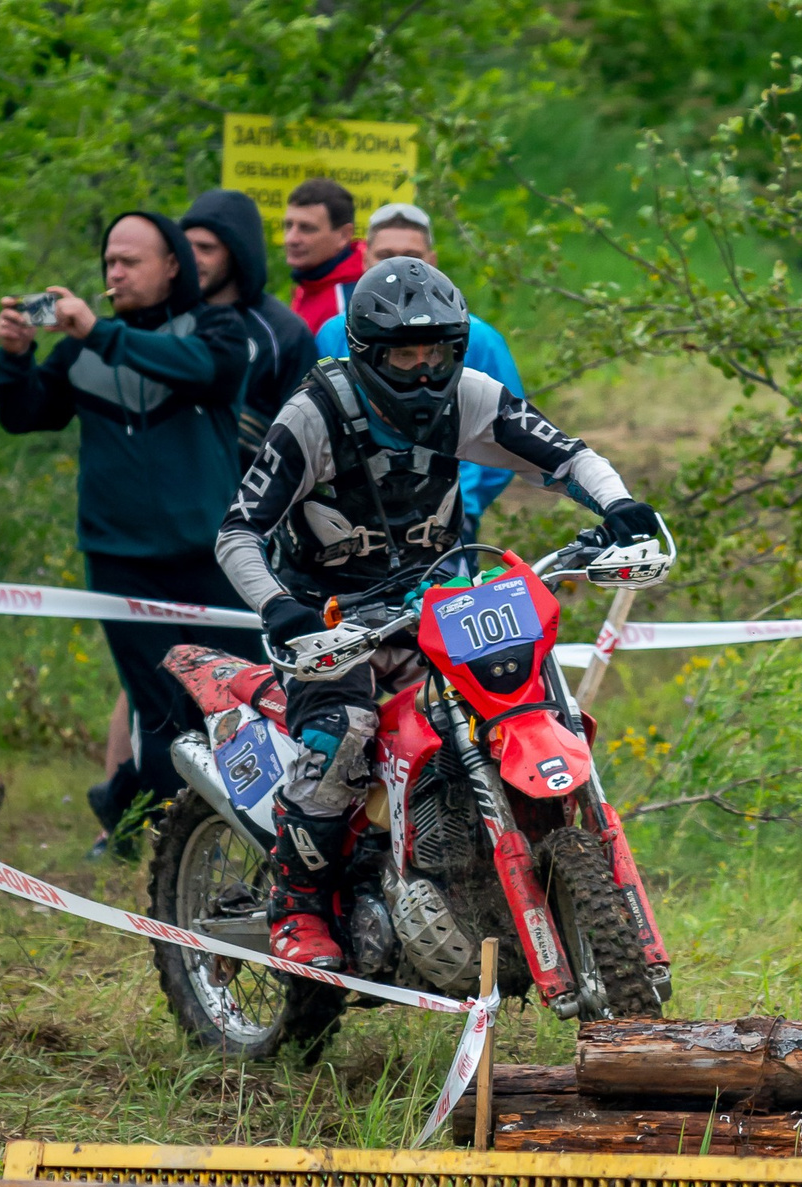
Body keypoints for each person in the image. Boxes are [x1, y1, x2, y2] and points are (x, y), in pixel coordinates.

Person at [215, 257, 664, 970]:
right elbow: (238, 530)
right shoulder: (315, 415)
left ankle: (473, 863)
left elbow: (567, 456)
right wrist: (280, 607)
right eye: (404, 355)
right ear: (367, 353)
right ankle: (296, 905)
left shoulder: (472, 396)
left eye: (437, 355)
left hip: (437, 601)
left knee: (519, 700)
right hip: (334, 622)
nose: (424, 374)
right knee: (342, 733)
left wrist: (619, 508)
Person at [0, 210, 251, 855]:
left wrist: (98, 332)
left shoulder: (215, 329)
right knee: (161, 707)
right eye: (110, 261)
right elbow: (25, 415)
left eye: (131, 261)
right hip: (121, 560)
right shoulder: (81, 350)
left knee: (234, 699)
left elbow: (206, 372)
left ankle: (216, 823)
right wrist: (15, 357)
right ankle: (165, 840)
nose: (116, 272)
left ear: (173, 267)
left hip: (212, 553)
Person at [313, 202, 526, 536]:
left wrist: (465, 505)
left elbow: (512, 434)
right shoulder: (333, 333)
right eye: (385, 255)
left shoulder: (478, 339)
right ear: (365, 259)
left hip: (443, 523)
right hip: (351, 525)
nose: (397, 266)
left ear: (432, 262)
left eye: (412, 256)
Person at [183, 189, 315, 460]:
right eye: (186, 247)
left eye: (206, 248)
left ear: (237, 252)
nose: (192, 258)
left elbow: (304, 437)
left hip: (249, 495)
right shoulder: (166, 320)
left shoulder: (284, 334)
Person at [283, 178, 365, 334]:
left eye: (306, 228)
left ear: (343, 235)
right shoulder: (310, 282)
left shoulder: (352, 301)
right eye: (288, 225)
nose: (291, 239)